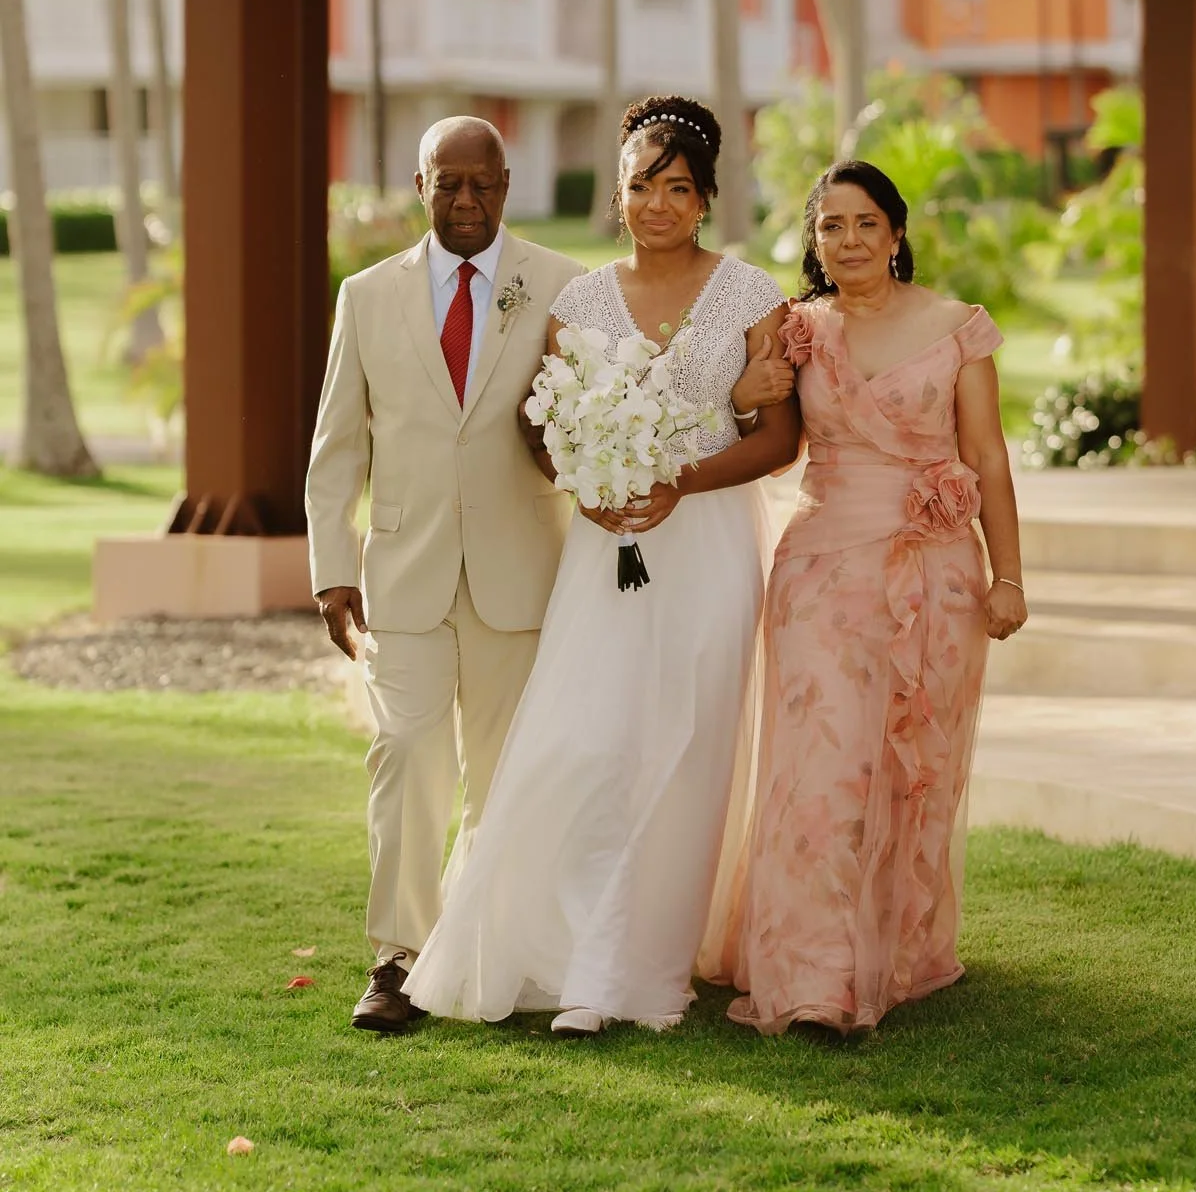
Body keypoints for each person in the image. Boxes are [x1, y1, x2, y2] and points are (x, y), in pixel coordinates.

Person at [403, 95, 800, 1036]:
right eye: (638, 187)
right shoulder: (576, 302)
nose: (655, 204)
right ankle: (544, 950)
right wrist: (582, 480)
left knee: (681, 749)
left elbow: (781, 436)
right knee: (583, 739)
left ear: (703, 197)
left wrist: (679, 482)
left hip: (707, 545)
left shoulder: (751, 297)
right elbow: (544, 425)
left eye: (675, 188)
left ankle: (622, 972)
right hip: (604, 549)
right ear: (616, 197)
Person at [719, 160, 1026, 1037]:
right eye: (829, 227)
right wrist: (745, 400)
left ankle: (895, 952)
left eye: (863, 224)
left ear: (894, 233)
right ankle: (812, 978)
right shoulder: (795, 329)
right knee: (822, 769)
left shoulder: (956, 328)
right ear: (812, 241)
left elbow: (990, 459)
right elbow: (771, 445)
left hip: (936, 573)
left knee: (911, 767)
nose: (846, 242)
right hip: (820, 571)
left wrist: (1007, 576)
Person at [305, 117, 583, 1033]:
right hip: (404, 572)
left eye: (483, 185)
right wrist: (332, 573)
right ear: (420, 185)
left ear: (506, 184)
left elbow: (578, 432)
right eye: (447, 184)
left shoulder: (560, 286)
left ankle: (490, 951)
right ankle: (398, 959)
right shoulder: (365, 296)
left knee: (503, 773)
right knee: (407, 758)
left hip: (521, 571)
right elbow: (337, 448)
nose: (466, 202)